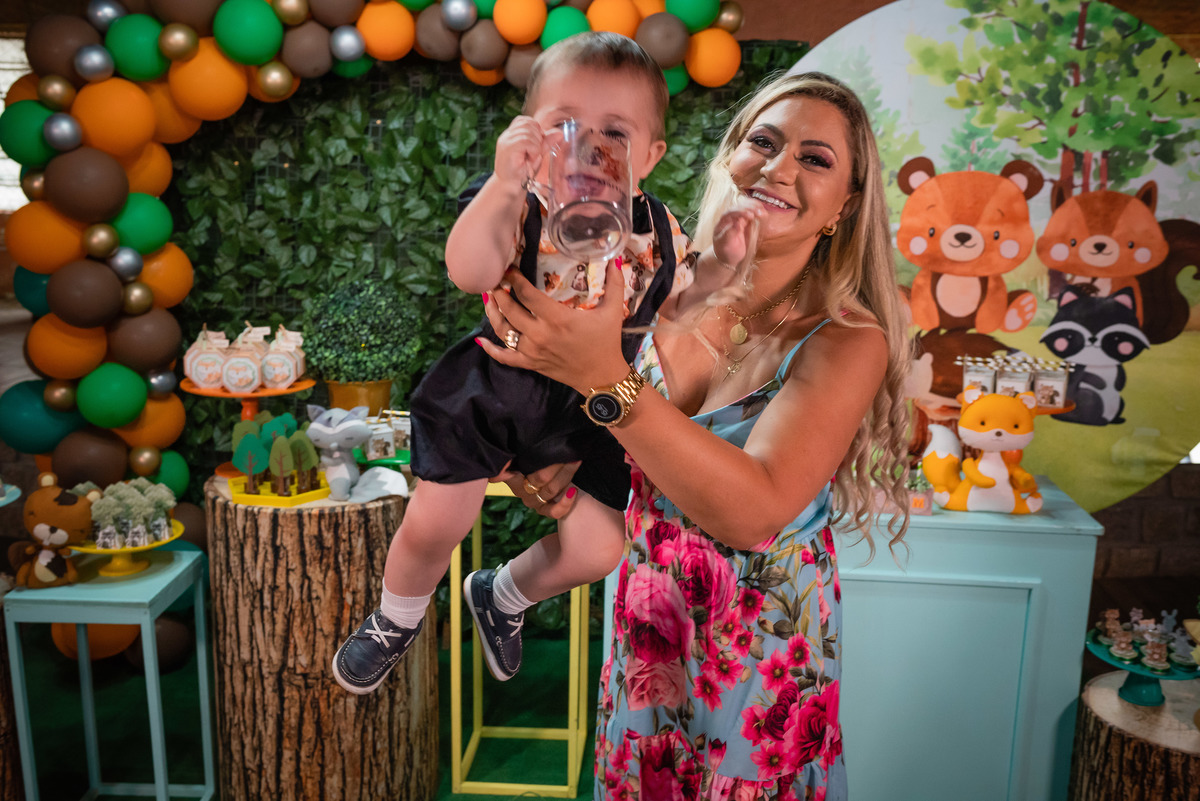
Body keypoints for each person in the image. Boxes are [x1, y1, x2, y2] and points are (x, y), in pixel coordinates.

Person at [477, 71, 913, 800]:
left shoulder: (845, 338)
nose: (777, 167)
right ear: (729, 157)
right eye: (763, 142)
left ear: (846, 206)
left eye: (815, 158)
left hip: (756, 668)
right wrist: (556, 475)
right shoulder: (667, 286)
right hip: (648, 636)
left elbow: (754, 507)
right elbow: (628, 455)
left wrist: (603, 381)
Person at [331, 32, 707, 694]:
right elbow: (468, 268)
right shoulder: (516, 202)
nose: (587, 147)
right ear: (528, 134)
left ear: (649, 155)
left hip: (593, 405)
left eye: (614, 133)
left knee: (598, 548)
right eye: (564, 125)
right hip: (495, 388)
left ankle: (503, 593)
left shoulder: (661, 230)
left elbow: (679, 313)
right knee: (438, 520)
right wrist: (506, 185)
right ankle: (397, 616)